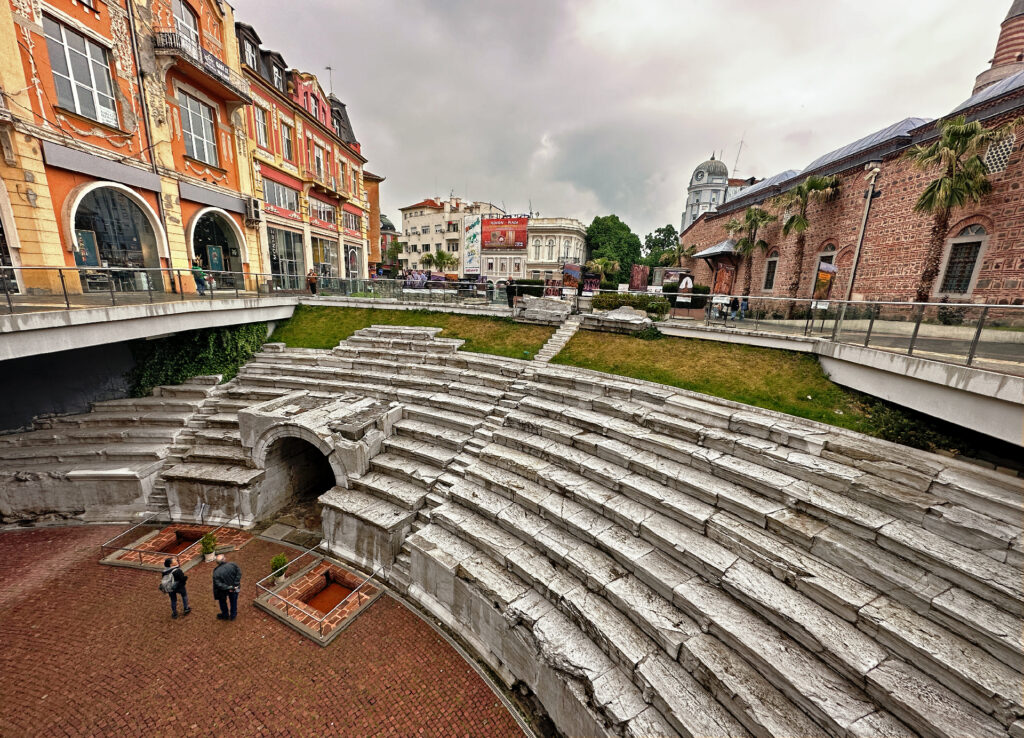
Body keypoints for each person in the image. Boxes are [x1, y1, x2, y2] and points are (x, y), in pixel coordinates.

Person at [212, 554, 242, 621]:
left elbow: (218, 584)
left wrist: (229, 587)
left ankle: (225, 615)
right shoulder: (233, 565)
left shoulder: (216, 572)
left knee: (222, 602)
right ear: (224, 559)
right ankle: (233, 615)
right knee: (233, 601)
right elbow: (239, 573)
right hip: (234, 588)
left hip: (223, 591)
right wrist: (234, 586)